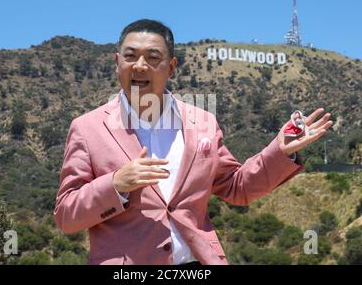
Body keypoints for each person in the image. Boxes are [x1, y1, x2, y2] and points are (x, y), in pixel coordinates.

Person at [53, 19, 333, 265]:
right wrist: (116, 184)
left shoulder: (203, 123)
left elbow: (237, 188)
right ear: (117, 63)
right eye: (130, 56)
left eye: (153, 57)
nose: (139, 66)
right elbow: (66, 216)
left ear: (171, 67)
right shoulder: (87, 128)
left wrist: (280, 152)